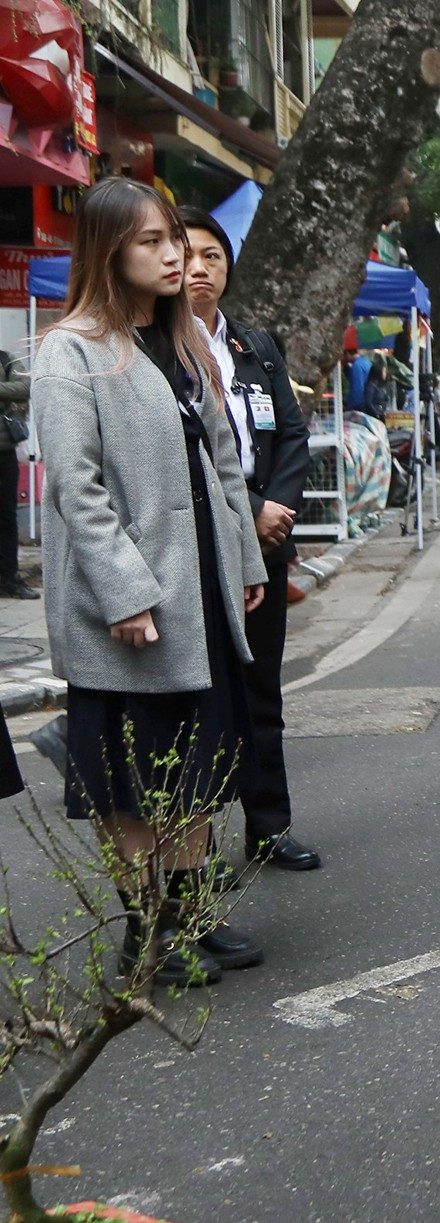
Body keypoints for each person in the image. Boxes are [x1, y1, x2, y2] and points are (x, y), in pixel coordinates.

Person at [32, 177, 269, 985]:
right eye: (152, 242)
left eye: (176, 238)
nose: (175, 256)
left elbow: (225, 465)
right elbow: (75, 486)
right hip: (130, 599)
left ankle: (187, 915)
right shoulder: (71, 350)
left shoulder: (184, 341)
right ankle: (148, 936)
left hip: (197, 584)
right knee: (135, 777)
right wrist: (124, 591)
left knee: (197, 765)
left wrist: (243, 563)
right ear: (107, 250)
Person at [179, 206, 323, 874]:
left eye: (212, 255)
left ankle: (269, 824)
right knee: (203, 700)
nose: (199, 268)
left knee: (264, 692)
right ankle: (191, 845)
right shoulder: (156, 348)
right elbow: (194, 457)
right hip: (205, 549)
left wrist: (279, 507)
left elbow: (291, 432)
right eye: (186, 255)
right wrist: (250, 509)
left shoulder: (255, 345)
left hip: (267, 546)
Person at [0, 346, 37, 598]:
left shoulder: (5, 359)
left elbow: (25, 387)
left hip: (4, 451)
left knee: (6, 517)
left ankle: (8, 578)